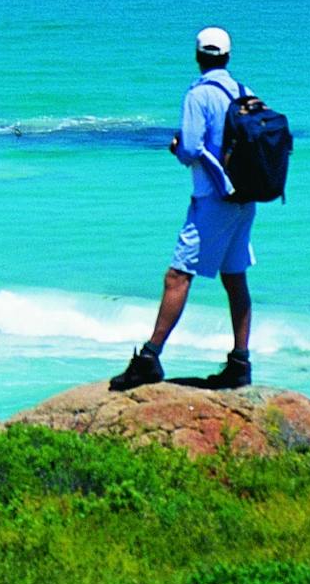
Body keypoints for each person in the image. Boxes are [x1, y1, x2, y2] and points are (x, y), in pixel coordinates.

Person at [108, 26, 255, 391]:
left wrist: (176, 147)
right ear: (228, 57)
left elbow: (189, 148)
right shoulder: (245, 92)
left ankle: (149, 358)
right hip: (246, 198)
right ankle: (240, 362)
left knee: (178, 276)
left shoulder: (199, 95)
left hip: (213, 199)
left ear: (198, 56)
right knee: (234, 278)